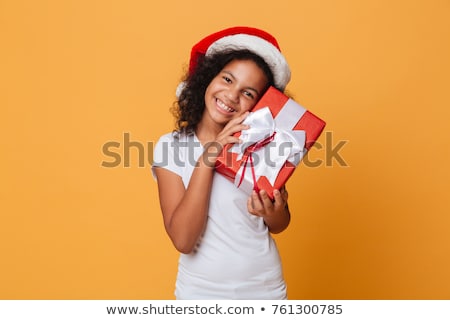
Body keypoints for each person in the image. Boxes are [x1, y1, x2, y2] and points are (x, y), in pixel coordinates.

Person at [152, 26, 293, 299]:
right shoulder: (171, 147)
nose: (232, 95)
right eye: (227, 79)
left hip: (266, 291)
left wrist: (273, 211)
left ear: (258, 106)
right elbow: (183, 239)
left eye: (248, 93)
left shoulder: (261, 147)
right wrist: (209, 157)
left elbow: (280, 223)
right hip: (201, 294)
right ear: (207, 78)